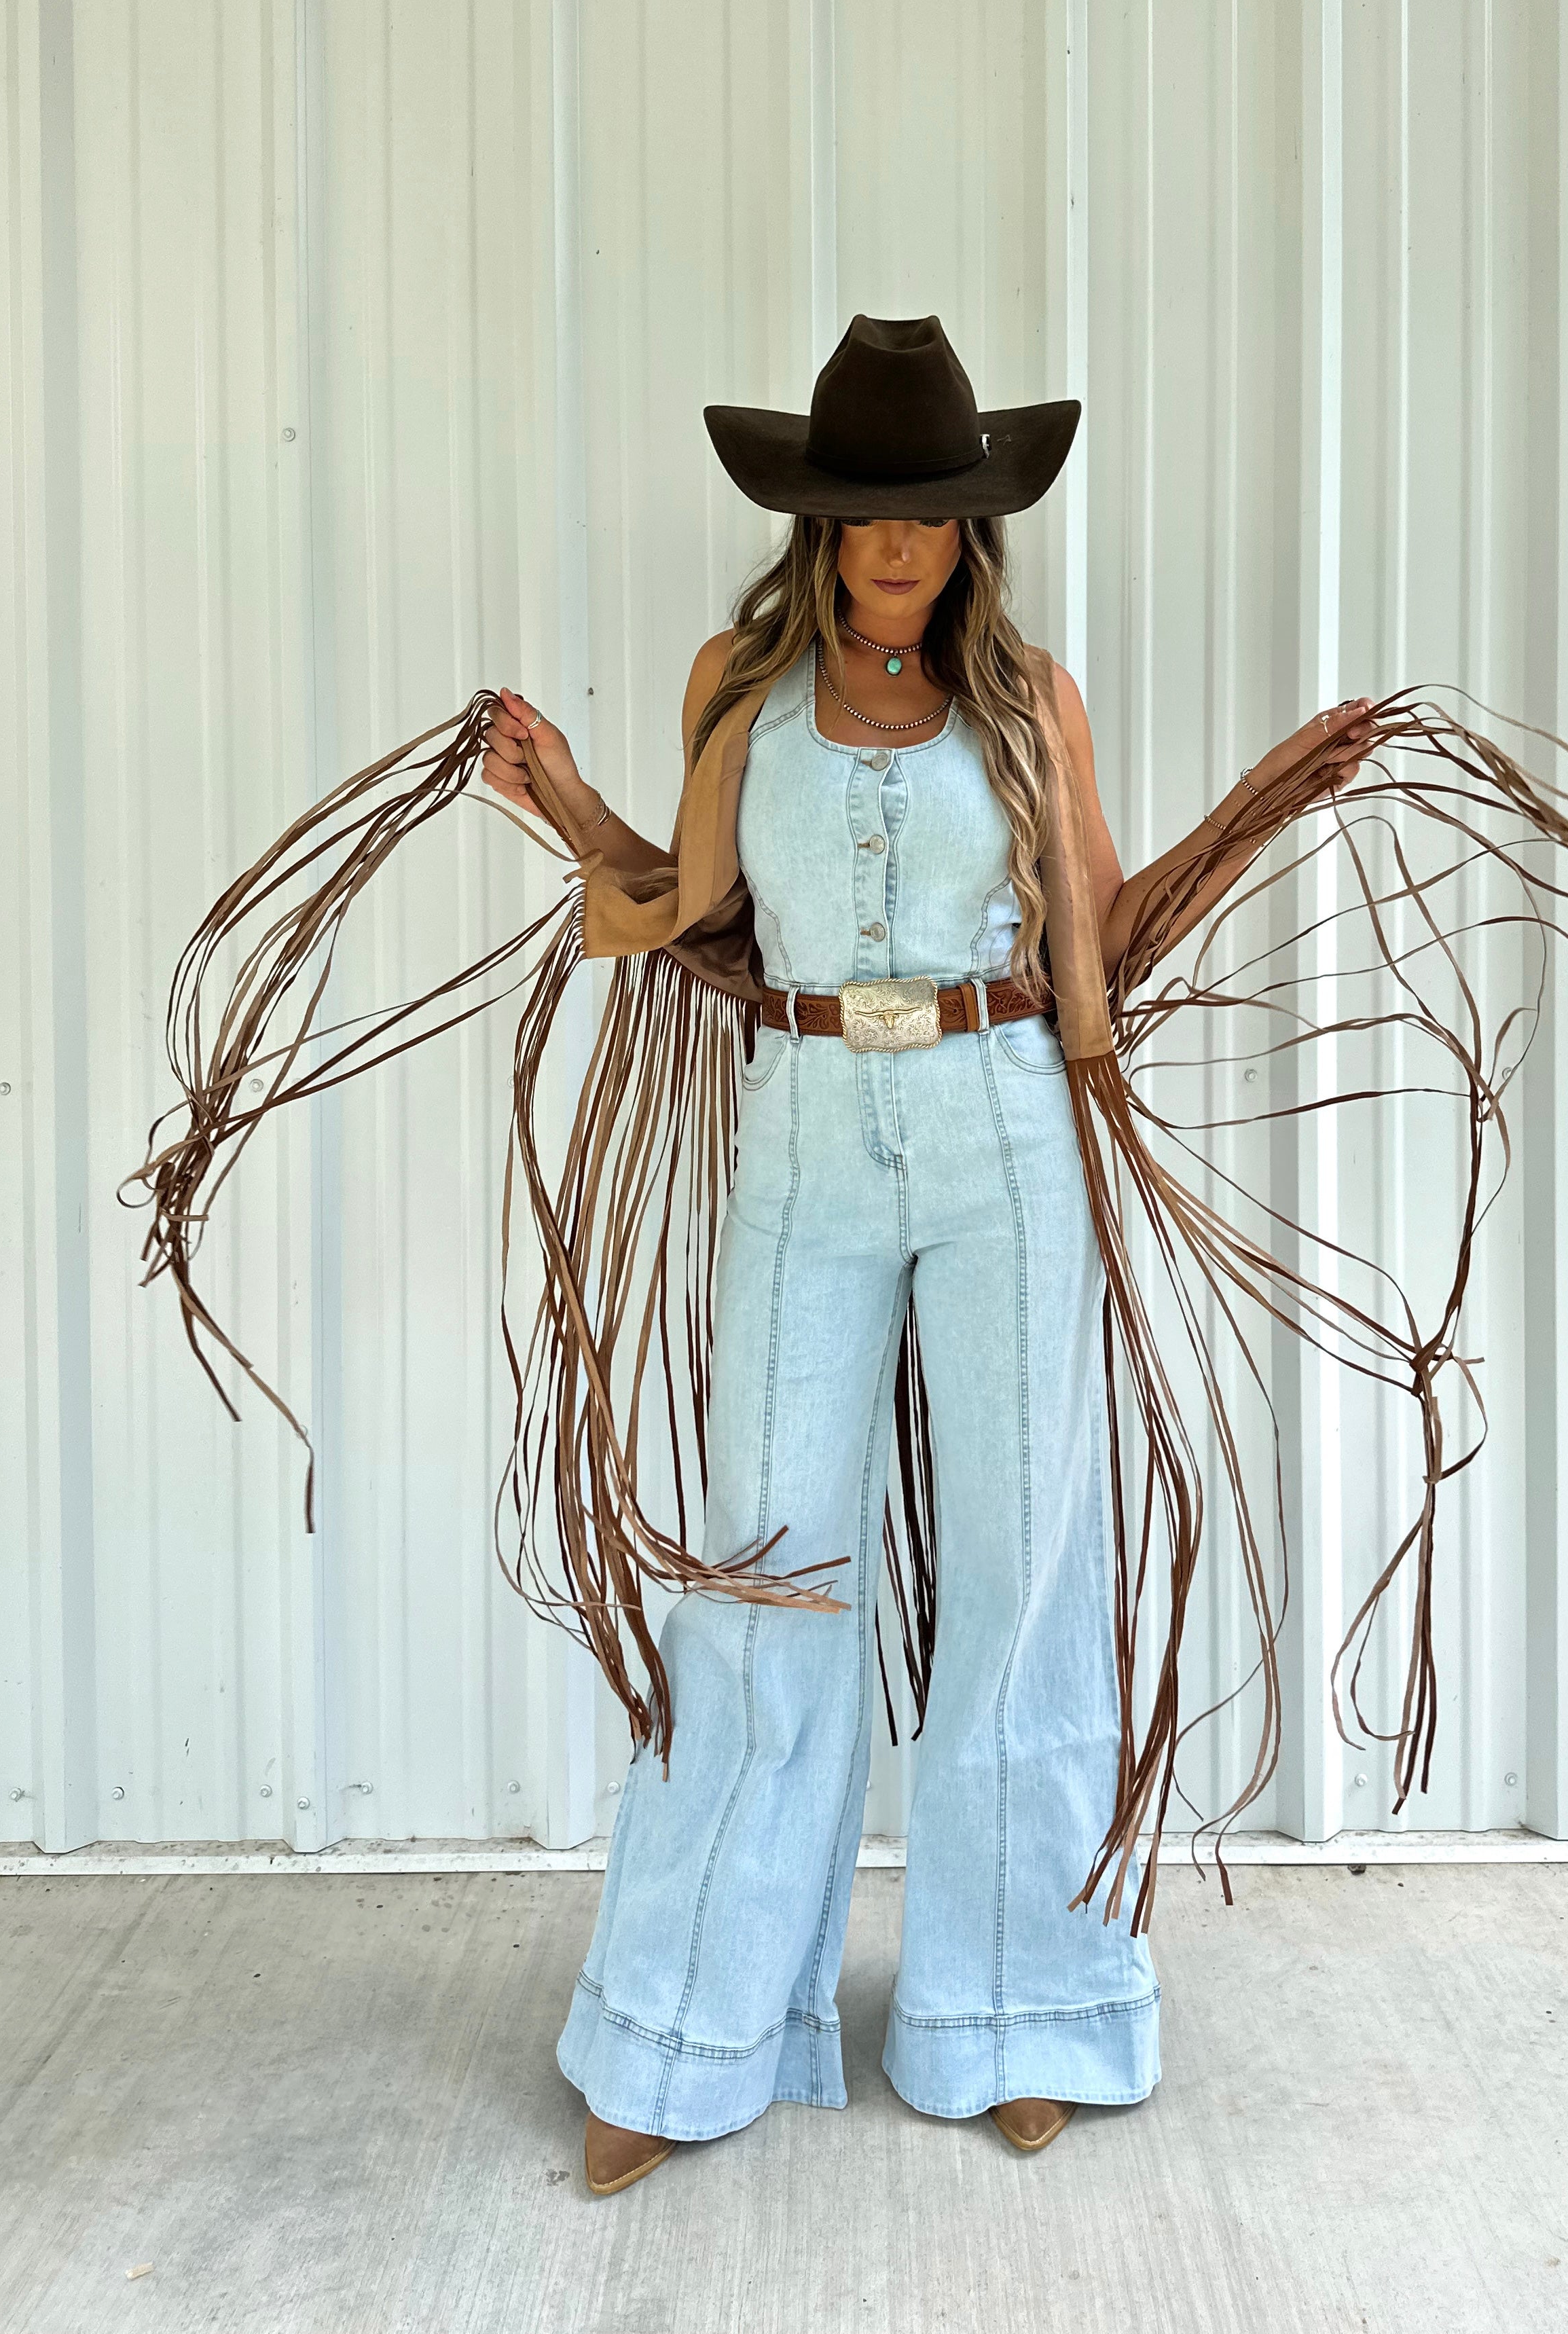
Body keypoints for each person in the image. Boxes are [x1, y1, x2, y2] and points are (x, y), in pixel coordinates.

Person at [479, 315, 1374, 2194]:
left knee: (1028, 1569)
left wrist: (1269, 795)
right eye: (867, 519)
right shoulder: (738, 676)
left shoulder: (1027, 696)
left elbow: (1100, 929)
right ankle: (684, 2030)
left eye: (935, 520)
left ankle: (1017, 2011)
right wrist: (557, 797)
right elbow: (696, 904)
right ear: (812, 526)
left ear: (976, 529)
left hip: (1001, 1125)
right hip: (801, 1124)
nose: (900, 549)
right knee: (759, 1569)